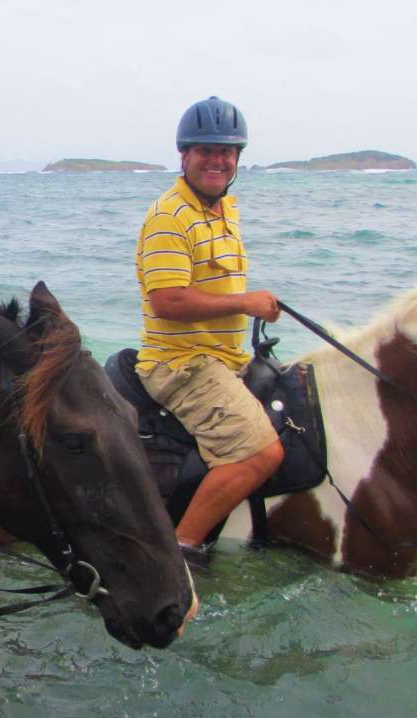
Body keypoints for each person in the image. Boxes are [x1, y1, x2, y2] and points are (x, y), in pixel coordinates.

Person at [135, 96, 284, 560]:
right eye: (206, 150)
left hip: (223, 358)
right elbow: (168, 301)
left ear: (238, 158)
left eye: (227, 152)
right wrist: (245, 302)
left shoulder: (221, 210)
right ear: (185, 155)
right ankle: (179, 552)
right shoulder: (170, 215)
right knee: (262, 454)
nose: (217, 160)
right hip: (183, 364)